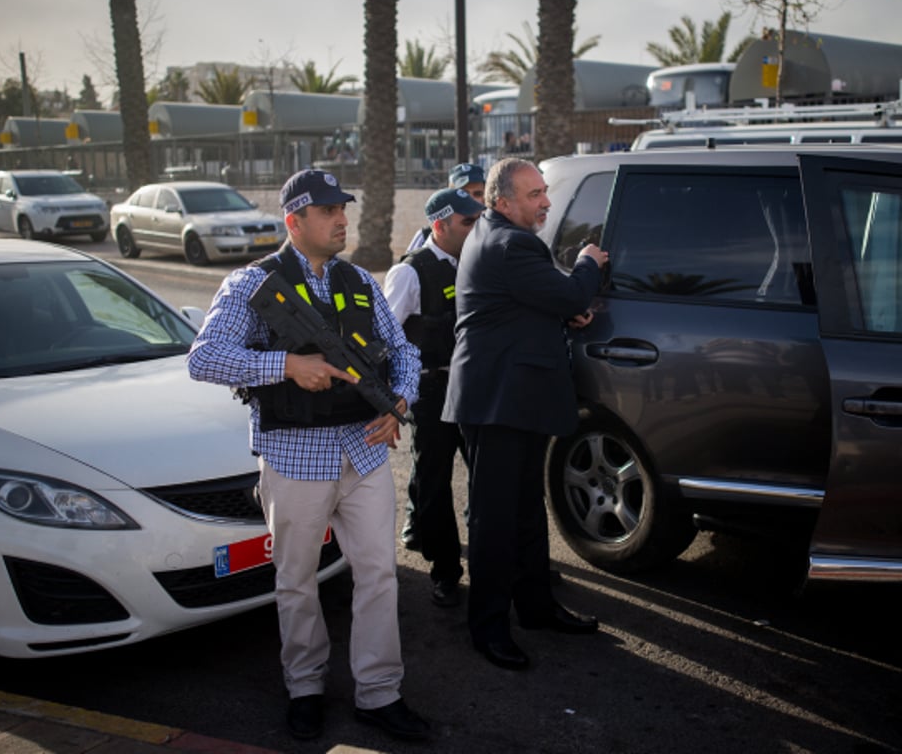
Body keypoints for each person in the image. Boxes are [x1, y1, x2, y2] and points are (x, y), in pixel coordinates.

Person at [187, 169, 430, 743]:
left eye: (342, 208)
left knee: (378, 575)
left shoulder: (358, 281)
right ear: (294, 221)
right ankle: (305, 687)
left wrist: (398, 400)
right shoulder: (252, 284)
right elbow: (204, 358)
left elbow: (404, 352)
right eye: (327, 211)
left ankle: (379, 692)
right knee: (296, 581)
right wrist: (287, 366)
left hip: (363, 453)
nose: (342, 219)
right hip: (295, 458)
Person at [441, 157, 609, 671]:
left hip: (512, 398)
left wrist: (564, 307)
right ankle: (488, 629)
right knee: (493, 521)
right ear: (501, 201)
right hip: (496, 402)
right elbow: (570, 289)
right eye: (534, 194)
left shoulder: (496, 236)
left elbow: (532, 299)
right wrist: (588, 262)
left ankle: (536, 608)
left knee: (525, 512)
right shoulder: (510, 243)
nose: (546, 202)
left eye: (543, 191)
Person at [383, 187, 481, 607]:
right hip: (434, 389)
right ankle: (445, 570)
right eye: (467, 222)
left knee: (486, 478)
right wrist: (394, 397)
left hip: (475, 386)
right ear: (440, 225)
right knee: (435, 483)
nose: (476, 229)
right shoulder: (411, 272)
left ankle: (498, 563)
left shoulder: (477, 261)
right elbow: (384, 335)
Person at [405, 163, 485, 253]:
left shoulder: (493, 230)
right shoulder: (426, 235)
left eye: (477, 194)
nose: (471, 199)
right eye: (463, 193)